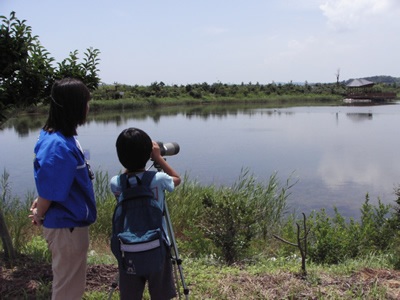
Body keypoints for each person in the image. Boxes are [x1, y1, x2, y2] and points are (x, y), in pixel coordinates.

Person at [29, 78, 97, 300]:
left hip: (67, 225)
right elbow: (50, 191)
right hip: (67, 227)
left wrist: (40, 204)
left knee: (70, 284)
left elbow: (50, 182)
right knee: (68, 289)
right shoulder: (58, 145)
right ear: (74, 106)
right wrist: (39, 213)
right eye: (86, 102)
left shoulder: (58, 136)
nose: (88, 107)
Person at [110, 127, 181, 300]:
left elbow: (127, 176)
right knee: (161, 294)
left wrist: (131, 163)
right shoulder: (158, 179)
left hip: (127, 247)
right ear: (148, 153)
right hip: (158, 245)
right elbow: (177, 179)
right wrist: (158, 159)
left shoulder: (115, 183)